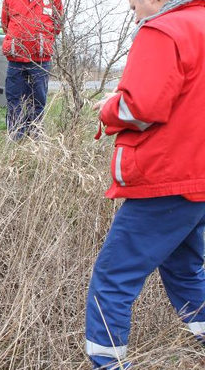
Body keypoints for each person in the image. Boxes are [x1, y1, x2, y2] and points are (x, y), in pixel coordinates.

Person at [88, 0, 205, 368]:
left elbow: (140, 108)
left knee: (112, 279)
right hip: (198, 178)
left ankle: (106, 363)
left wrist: (109, 107)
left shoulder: (163, 30)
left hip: (167, 178)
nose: (130, 8)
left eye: (134, 1)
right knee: (184, 269)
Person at [2, 0, 63, 139]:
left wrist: (42, 40)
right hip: (16, 57)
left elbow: (57, 26)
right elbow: (5, 24)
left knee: (38, 100)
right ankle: (15, 137)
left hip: (41, 59)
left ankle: (34, 137)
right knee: (14, 100)